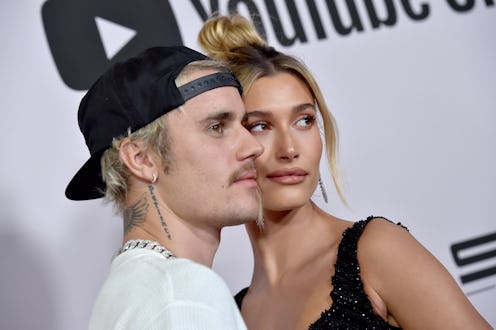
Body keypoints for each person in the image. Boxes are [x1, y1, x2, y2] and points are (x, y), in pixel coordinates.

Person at [198, 15, 492, 329]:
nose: (290, 149)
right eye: (261, 126)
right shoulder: (235, 315)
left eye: (304, 121)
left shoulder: (375, 251)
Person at [65, 46, 264, 329]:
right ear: (141, 159)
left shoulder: (132, 292)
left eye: (244, 124)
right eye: (217, 127)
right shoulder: (183, 295)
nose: (254, 147)